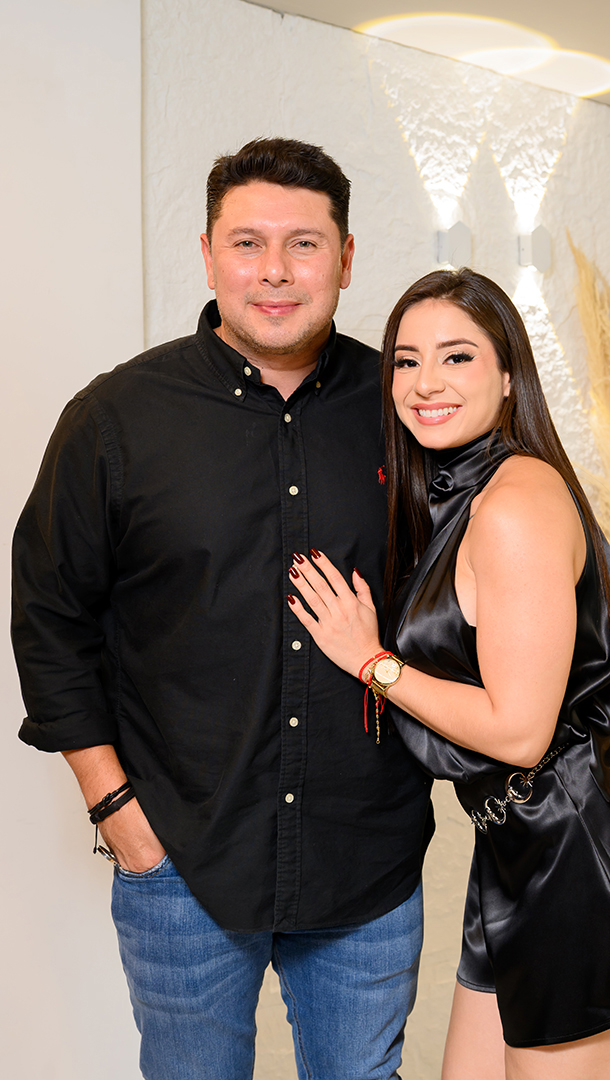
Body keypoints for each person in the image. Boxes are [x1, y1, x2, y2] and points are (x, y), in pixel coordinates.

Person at [11, 138, 433, 1080]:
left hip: (366, 859)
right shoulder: (115, 419)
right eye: (248, 243)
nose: (274, 271)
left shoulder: (409, 412)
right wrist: (116, 810)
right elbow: (49, 617)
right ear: (207, 256)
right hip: (181, 864)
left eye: (303, 244)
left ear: (346, 259)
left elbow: (482, 577)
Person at [287, 268, 610, 1080]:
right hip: (520, 838)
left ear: (509, 378)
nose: (425, 382)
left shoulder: (512, 506)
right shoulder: (463, 493)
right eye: (406, 360)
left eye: (457, 357)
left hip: (577, 844)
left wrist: (372, 662)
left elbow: (521, 732)